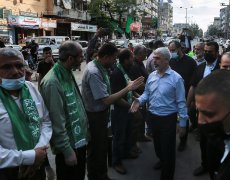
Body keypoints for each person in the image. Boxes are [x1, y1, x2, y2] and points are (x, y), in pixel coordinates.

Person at [81, 43, 144, 179]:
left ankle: (102, 174)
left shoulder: (103, 67)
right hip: (95, 115)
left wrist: (134, 95)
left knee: (103, 146)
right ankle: (96, 175)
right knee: (97, 148)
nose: (115, 61)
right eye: (114, 58)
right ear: (106, 57)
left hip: (103, 113)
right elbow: (107, 100)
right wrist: (128, 89)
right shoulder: (94, 72)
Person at [130, 47, 188, 180]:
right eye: (153, 58)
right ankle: (162, 160)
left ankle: (167, 174)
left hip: (168, 118)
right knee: (158, 145)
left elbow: (181, 102)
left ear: (167, 60)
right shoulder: (151, 76)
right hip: (153, 117)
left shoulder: (176, 79)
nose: (154, 61)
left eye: (157, 58)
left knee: (168, 149)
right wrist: (139, 100)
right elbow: (147, 94)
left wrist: (183, 123)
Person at [0, 48, 52, 179]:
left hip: (38, 163)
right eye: (7, 67)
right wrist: (29, 157)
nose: (15, 71)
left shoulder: (30, 87)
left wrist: (39, 151)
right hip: (8, 171)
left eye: (19, 65)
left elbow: (45, 121)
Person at [40, 41, 87, 180]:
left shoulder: (66, 71)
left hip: (79, 140)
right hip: (69, 146)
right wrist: (67, 151)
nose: (83, 59)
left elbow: (77, 103)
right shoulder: (52, 82)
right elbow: (56, 120)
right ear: (70, 59)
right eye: (80, 56)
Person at [187, 41, 220, 177]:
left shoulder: (222, 67)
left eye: (210, 51)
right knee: (204, 140)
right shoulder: (200, 68)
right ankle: (205, 164)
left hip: (219, 113)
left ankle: (217, 168)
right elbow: (193, 86)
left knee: (217, 142)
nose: (206, 53)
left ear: (217, 53)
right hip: (202, 112)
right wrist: (188, 103)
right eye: (205, 51)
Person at [168, 40, 197, 151]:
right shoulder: (170, 61)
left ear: (180, 48)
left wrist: (192, 100)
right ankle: (170, 140)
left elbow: (194, 83)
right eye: (170, 50)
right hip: (171, 97)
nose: (171, 52)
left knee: (183, 120)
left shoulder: (190, 62)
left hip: (185, 97)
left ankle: (183, 142)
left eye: (173, 50)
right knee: (171, 120)